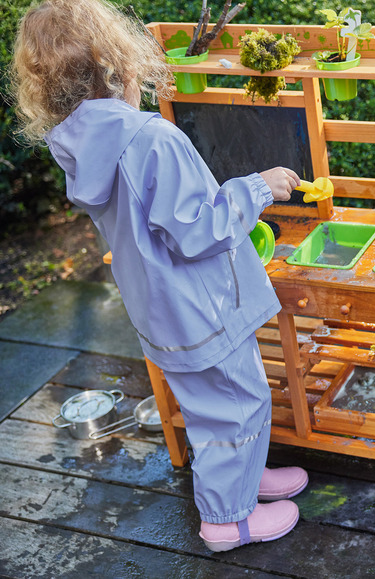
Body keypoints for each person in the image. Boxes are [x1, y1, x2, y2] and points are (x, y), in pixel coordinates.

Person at [11, 0, 309, 553]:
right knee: (239, 403)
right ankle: (228, 521)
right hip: (202, 307)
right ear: (113, 62)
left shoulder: (79, 143)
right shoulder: (152, 138)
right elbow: (200, 230)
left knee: (212, 406)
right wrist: (259, 186)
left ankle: (242, 479)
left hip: (163, 311)